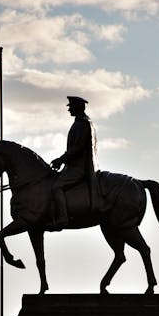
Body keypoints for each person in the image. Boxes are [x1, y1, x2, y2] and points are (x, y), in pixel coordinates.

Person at [50, 96, 101, 228]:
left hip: (79, 168)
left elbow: (77, 148)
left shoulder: (83, 123)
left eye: (71, 107)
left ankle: (63, 218)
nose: (69, 110)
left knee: (57, 187)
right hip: (73, 165)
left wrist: (61, 160)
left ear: (78, 107)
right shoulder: (80, 122)